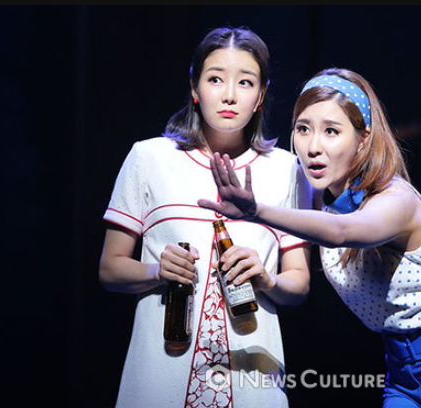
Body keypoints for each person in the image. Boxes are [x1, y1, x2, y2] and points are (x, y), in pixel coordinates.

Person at [198, 67, 421, 407]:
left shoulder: (396, 199)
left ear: (363, 140)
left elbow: (342, 232)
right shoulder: (319, 197)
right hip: (403, 378)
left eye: (331, 131)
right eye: (303, 129)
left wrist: (256, 210)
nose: (313, 147)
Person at [99, 26, 312, 408]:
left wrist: (267, 278)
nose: (229, 94)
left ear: (261, 95)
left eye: (245, 82)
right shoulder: (149, 158)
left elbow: (299, 283)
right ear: (195, 88)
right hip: (161, 374)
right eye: (215, 79)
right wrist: (157, 271)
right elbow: (110, 270)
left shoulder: (287, 170)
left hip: (251, 377)